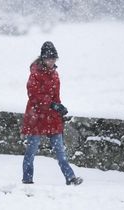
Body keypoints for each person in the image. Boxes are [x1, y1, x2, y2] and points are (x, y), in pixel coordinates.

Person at [21, 41, 83, 186]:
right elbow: (34, 96)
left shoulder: (55, 75)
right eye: (49, 58)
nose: (51, 61)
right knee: (31, 151)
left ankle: (70, 178)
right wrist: (52, 104)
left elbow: (56, 97)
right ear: (42, 58)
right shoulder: (34, 74)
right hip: (36, 116)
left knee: (60, 152)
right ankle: (27, 179)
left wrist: (60, 108)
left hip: (52, 117)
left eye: (53, 59)